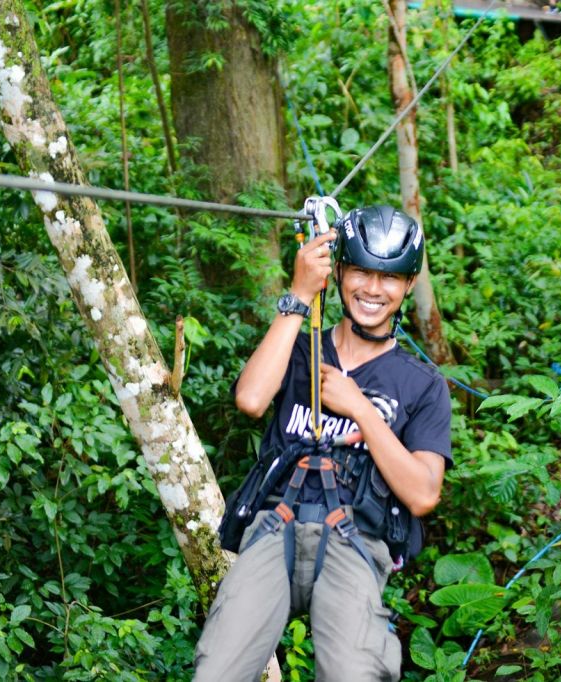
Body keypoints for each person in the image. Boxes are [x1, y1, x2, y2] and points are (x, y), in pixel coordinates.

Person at [193, 206, 453, 681]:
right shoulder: (300, 344)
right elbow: (251, 399)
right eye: (360, 272)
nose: (373, 289)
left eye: (389, 278)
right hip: (275, 525)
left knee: (355, 672)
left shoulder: (422, 384)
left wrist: (361, 410)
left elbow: (423, 494)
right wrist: (297, 294)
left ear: (409, 284)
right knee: (218, 669)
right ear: (339, 272)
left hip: (355, 538)